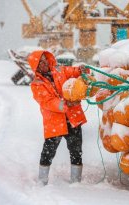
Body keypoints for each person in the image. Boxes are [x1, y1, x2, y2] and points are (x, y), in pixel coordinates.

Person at [28, 50, 88, 185]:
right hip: (54, 122)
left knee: (76, 149)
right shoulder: (36, 84)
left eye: (44, 60)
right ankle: (42, 181)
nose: (43, 64)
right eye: (40, 62)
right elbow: (47, 101)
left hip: (72, 117)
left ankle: (76, 181)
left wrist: (80, 70)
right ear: (35, 66)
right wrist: (66, 104)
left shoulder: (59, 70)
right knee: (48, 151)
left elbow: (72, 72)